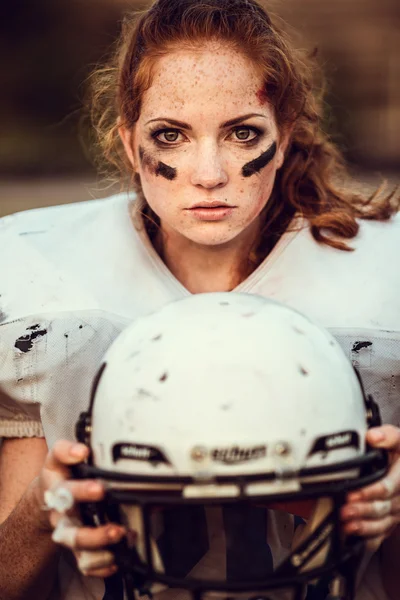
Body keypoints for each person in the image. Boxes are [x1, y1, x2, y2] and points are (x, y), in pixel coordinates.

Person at [0, 0, 399, 598]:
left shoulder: (384, 271)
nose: (209, 172)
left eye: (243, 133)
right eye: (171, 135)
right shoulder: (42, 273)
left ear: (284, 138)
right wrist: (45, 508)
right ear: (131, 146)